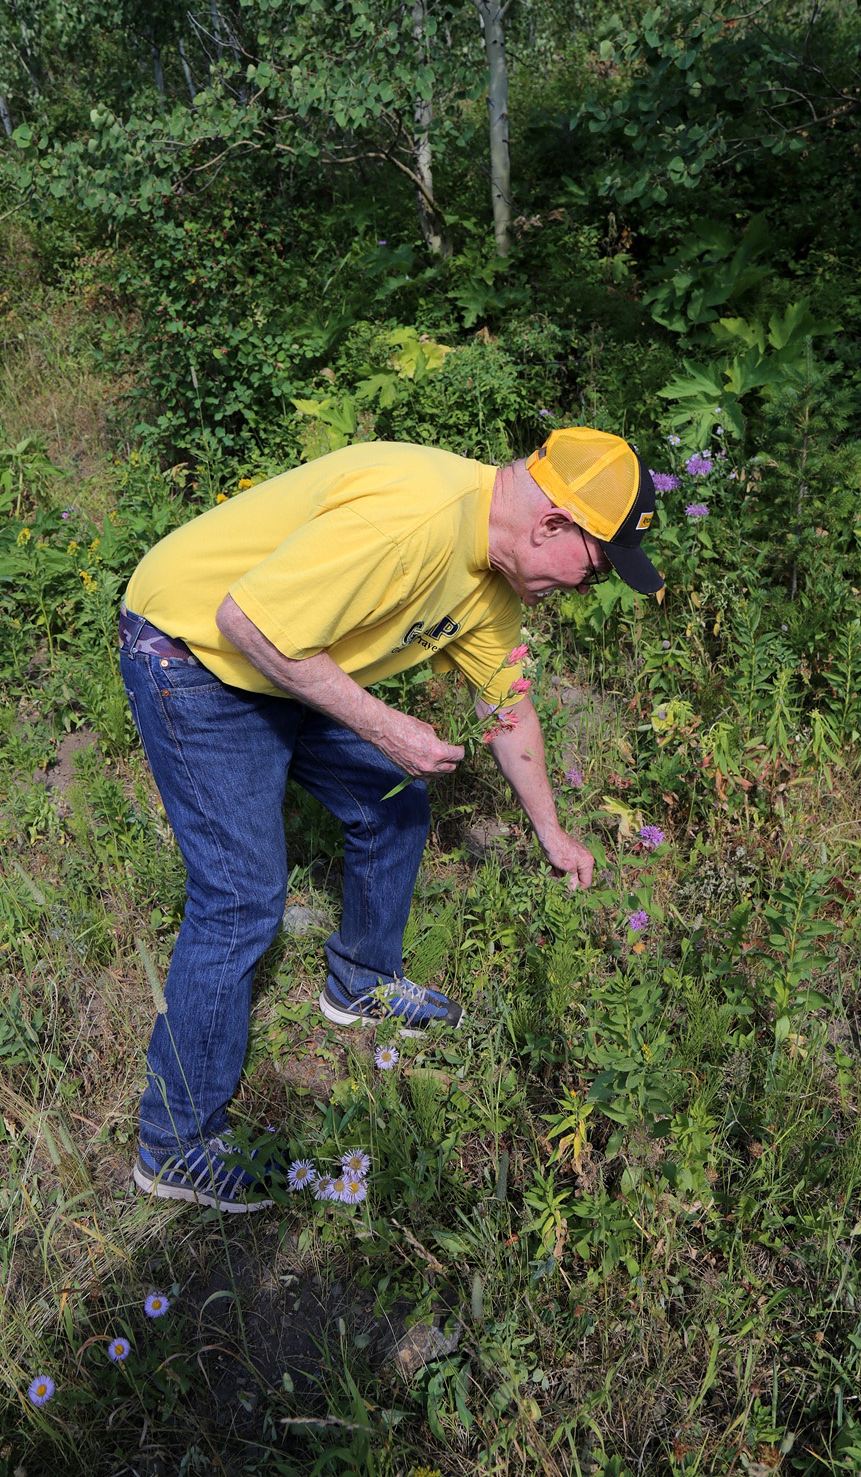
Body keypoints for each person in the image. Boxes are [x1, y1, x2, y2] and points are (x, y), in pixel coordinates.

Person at [119, 427, 662, 1211]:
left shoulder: (493, 582)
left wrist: (552, 830)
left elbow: (507, 707)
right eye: (596, 567)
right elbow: (248, 623)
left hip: (286, 654)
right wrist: (386, 727)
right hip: (193, 645)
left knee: (394, 799)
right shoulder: (414, 520)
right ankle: (173, 1146)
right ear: (550, 526)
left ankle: (361, 985)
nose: (590, 588)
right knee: (240, 897)